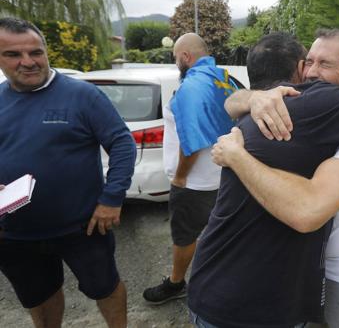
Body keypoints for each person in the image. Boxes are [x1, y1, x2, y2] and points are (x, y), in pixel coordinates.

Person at [187, 32, 339, 328]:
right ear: (296, 70)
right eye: (309, 62)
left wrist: (238, 152)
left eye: (325, 64)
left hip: (213, 288)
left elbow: (231, 103)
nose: (314, 71)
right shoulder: (307, 105)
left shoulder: (260, 111)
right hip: (253, 307)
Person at [0, 17, 136, 328]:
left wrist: (112, 199)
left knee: (105, 287)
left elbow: (122, 142)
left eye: (36, 52)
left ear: (46, 52)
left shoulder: (81, 95)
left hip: (84, 228)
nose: (28, 62)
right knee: (40, 296)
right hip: (15, 233)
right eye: (13, 55)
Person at [143, 33, 236, 304]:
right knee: (220, 231)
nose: (176, 64)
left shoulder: (191, 87)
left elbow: (191, 141)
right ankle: (223, 278)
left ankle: (175, 283)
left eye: (175, 58)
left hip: (195, 183)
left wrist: (181, 176)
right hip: (223, 174)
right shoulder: (222, 78)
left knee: (184, 235)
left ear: (185, 57)